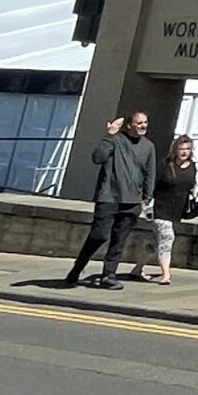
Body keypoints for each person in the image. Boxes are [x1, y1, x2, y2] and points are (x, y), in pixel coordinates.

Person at [63, 111, 157, 289]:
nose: (143, 126)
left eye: (145, 122)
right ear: (129, 125)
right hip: (109, 197)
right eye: (139, 123)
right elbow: (97, 158)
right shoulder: (115, 140)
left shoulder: (149, 147)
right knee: (99, 235)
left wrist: (146, 198)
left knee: (119, 240)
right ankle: (77, 269)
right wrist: (109, 135)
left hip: (133, 201)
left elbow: (149, 174)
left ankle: (109, 275)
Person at [125, 134, 198, 284]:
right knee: (168, 238)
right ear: (175, 150)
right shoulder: (165, 165)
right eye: (181, 149)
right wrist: (145, 201)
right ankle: (166, 275)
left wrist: (196, 190)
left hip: (177, 210)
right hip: (160, 208)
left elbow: (192, 185)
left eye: (187, 149)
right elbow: (151, 183)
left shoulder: (193, 167)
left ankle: (137, 270)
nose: (184, 152)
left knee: (154, 242)